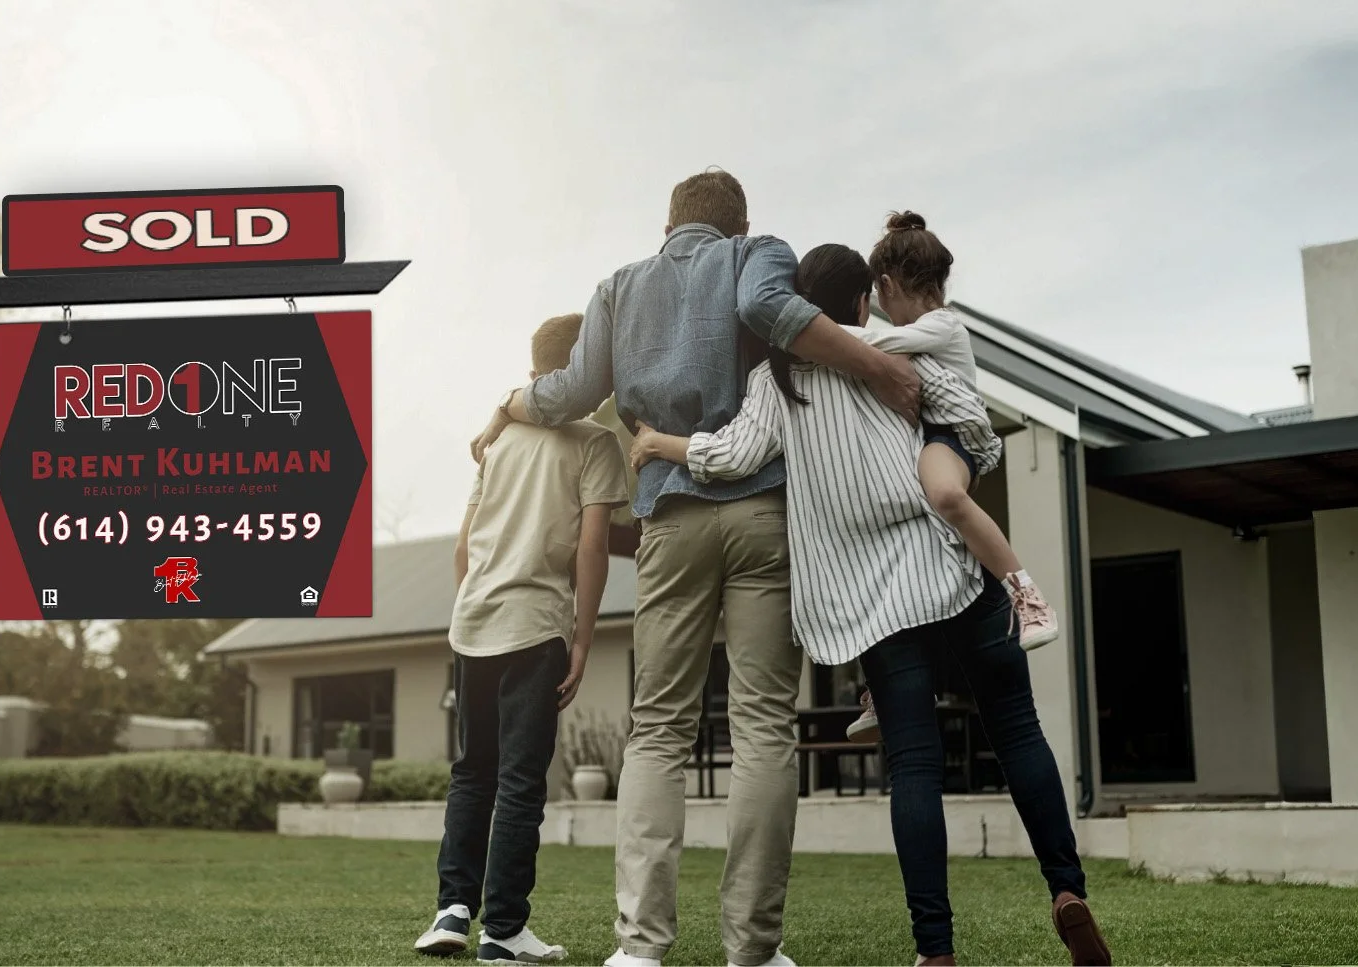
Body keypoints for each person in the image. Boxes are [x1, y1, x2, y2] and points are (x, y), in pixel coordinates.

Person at [472, 169, 921, 967]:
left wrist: (511, 400)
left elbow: (573, 390)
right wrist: (877, 365)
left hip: (670, 518)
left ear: (669, 223)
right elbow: (767, 311)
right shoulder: (758, 252)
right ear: (737, 223)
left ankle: (639, 948)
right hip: (761, 515)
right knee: (762, 728)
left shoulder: (619, 285)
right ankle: (752, 947)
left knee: (658, 731)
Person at [629, 244, 1110, 967]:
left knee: (914, 766)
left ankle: (936, 951)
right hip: (950, 573)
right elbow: (971, 424)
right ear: (861, 303)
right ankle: (1067, 890)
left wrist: (660, 442)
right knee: (1017, 731)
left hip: (876, 609)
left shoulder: (776, 378)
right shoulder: (890, 354)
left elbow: (731, 454)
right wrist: (953, 458)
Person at [416, 313, 631, 964]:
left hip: (474, 622)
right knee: (518, 781)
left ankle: (452, 910)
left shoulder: (499, 438)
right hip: (534, 625)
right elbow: (593, 545)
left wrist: (472, 608)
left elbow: (462, 545)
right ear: (584, 371)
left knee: (471, 772)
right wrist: (583, 639)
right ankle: (503, 928)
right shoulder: (595, 442)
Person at [845, 210, 1059, 746]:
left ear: (888, 286)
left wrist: (808, 331)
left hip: (951, 440)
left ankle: (1025, 593)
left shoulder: (941, 326)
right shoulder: (924, 327)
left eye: (879, 296)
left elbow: (870, 349)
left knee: (942, 493)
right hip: (923, 444)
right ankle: (877, 685)